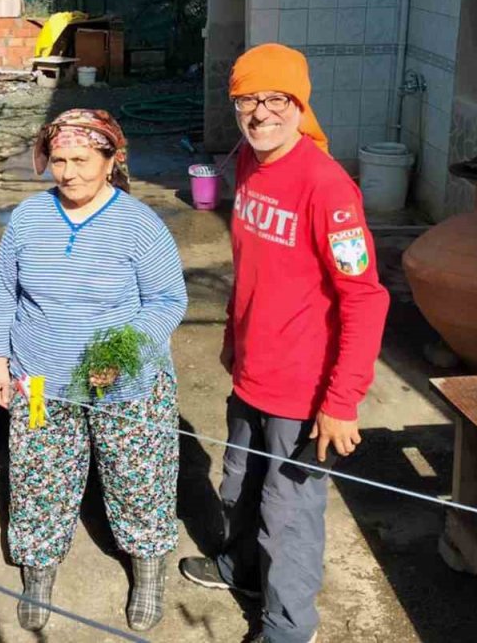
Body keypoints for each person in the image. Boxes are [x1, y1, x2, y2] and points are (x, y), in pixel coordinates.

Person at [178, 43, 390, 643]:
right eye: (249, 99)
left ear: (299, 104)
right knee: (239, 482)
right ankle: (242, 571)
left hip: (303, 389)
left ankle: (289, 630)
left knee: (288, 516)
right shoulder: (247, 160)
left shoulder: (329, 189)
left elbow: (366, 298)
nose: (261, 112)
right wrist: (231, 333)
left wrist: (343, 400)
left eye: (276, 99)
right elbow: (251, 265)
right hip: (253, 370)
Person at [0, 109, 188, 632]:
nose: (69, 172)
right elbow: (4, 292)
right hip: (39, 380)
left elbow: (167, 302)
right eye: (58, 160)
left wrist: (116, 356)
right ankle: (39, 569)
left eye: (81, 159)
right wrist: (0, 364)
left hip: (127, 386)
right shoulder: (28, 218)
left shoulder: (139, 224)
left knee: (139, 479)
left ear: (110, 160)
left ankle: (147, 570)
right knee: (37, 478)